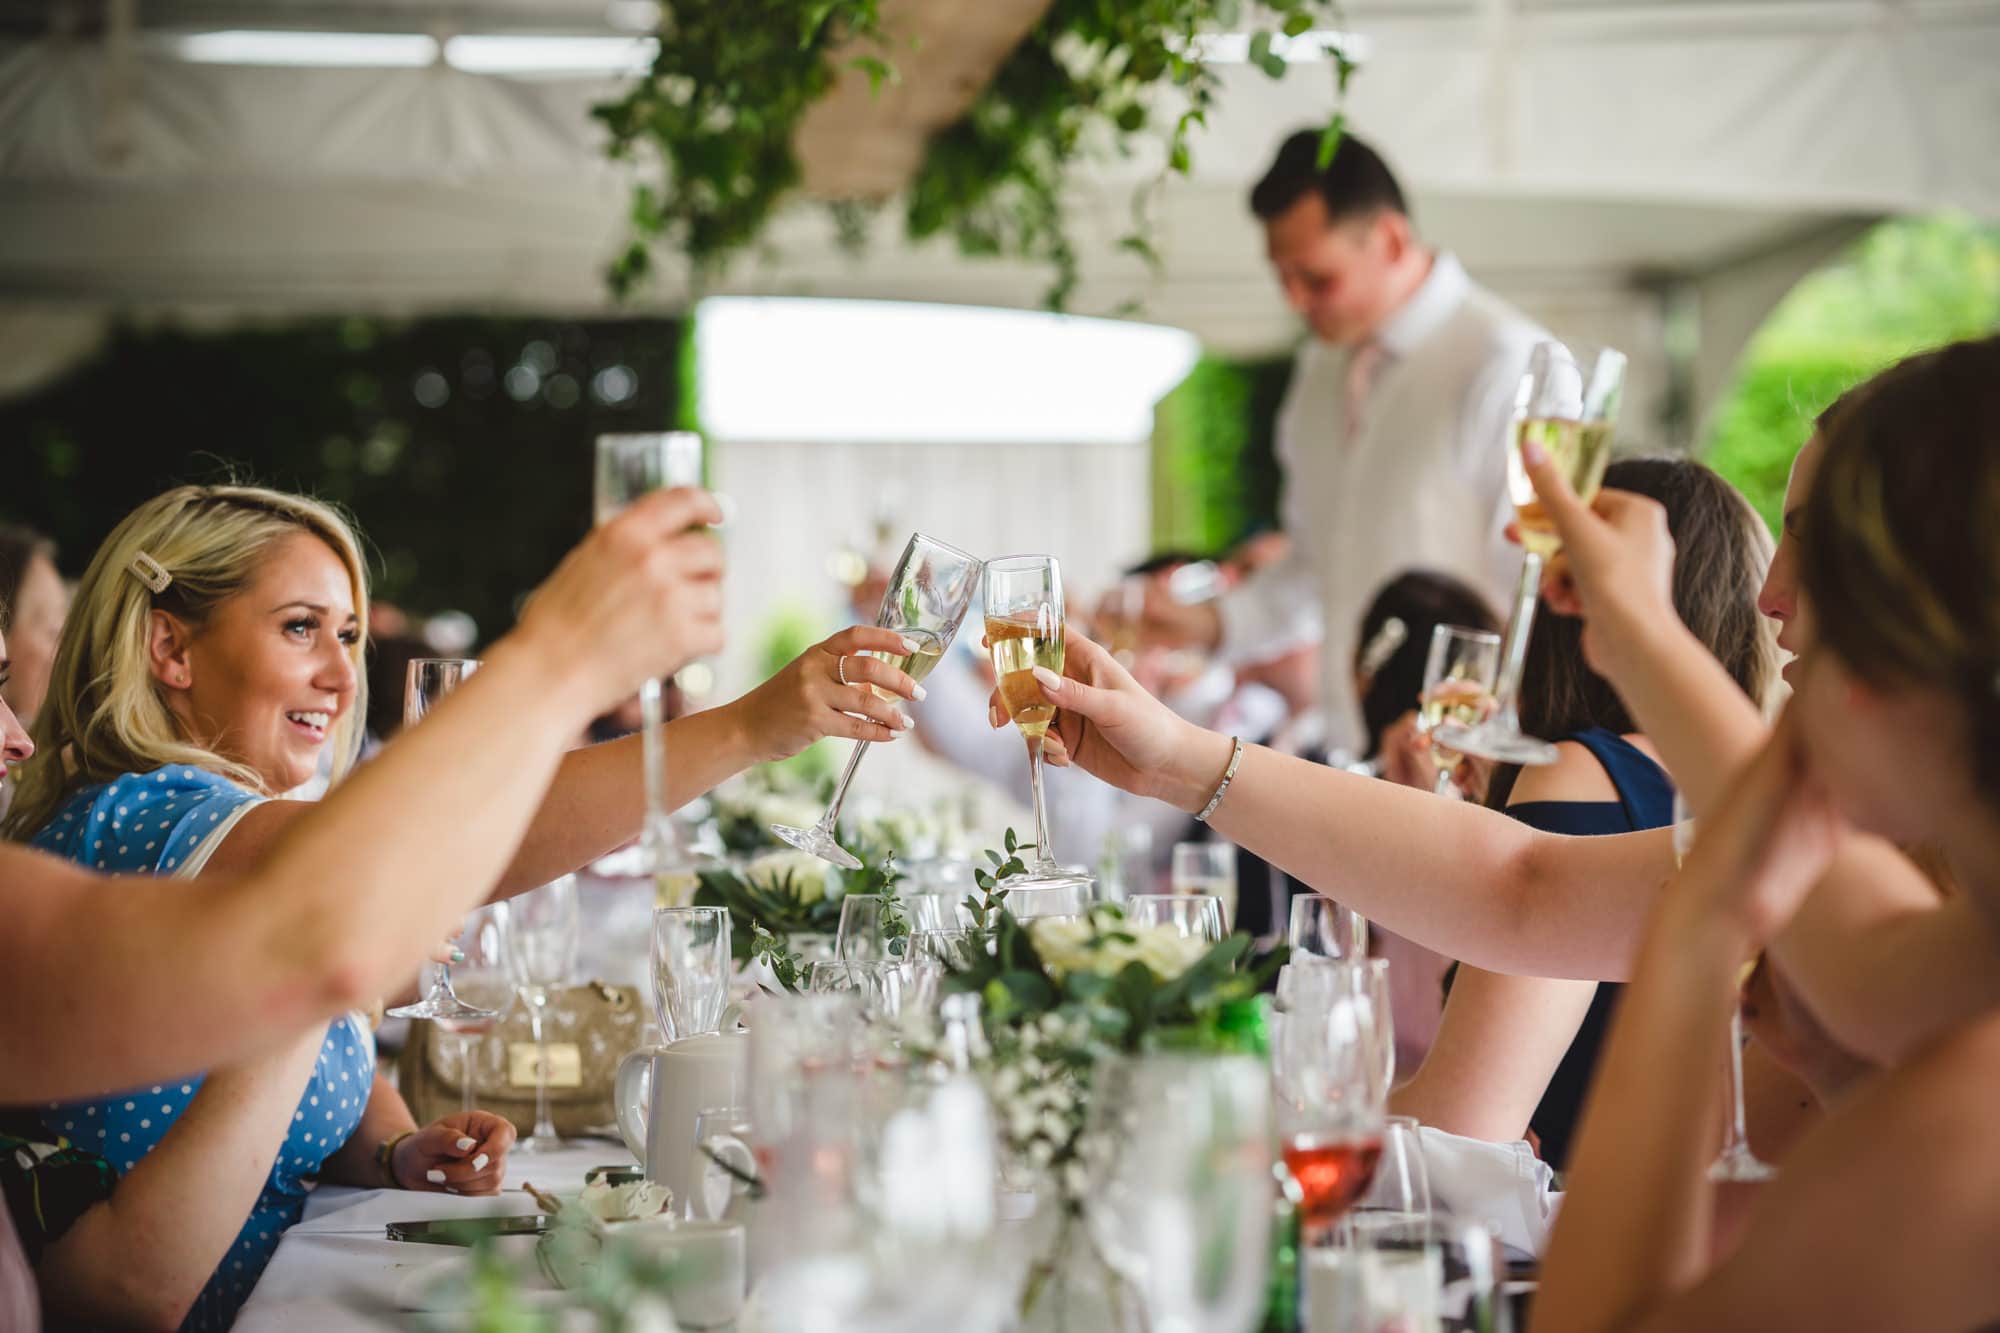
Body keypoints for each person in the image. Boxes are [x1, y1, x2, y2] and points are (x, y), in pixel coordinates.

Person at [2, 482, 918, 1327]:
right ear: (171, 648)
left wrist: (396, 1148)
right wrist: (742, 726)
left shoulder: (228, 833)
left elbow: (279, 1070)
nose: (341, 674)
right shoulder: (144, 821)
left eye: (350, 636)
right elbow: (489, 834)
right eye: (298, 629)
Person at [1532, 335, 2000, 1330]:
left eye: (1814, 547)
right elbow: (1864, 948)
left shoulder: (1967, 1125)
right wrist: (1635, 629)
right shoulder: (1966, 948)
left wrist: (1697, 932)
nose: (1767, 595)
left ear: (1908, 632)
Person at [1391, 458, 1779, 1172]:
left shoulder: (1580, 771)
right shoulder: (1752, 782)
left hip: (1578, 1238)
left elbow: (1461, 1128)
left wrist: (1307, 1105)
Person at [1137, 129, 1544, 757]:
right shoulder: (1318, 373)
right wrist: (1211, 623)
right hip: (1350, 750)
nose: (1296, 301)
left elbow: (1531, 587)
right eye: (1282, 278)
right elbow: (1311, 565)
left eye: (1316, 278)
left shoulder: (1503, 363)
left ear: (1390, 241)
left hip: (1467, 765)